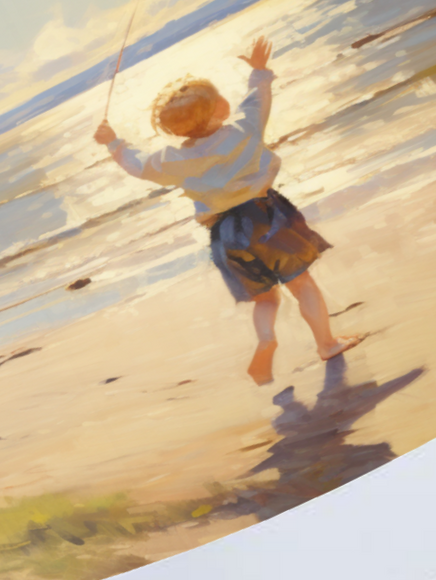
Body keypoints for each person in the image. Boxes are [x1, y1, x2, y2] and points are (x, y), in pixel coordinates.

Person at [94, 35, 352, 384]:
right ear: (221, 109)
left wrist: (112, 142)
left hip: (225, 236)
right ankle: (327, 344)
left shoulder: (172, 160)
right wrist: (260, 72)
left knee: (265, 300)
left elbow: (136, 165)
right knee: (302, 284)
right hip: (267, 217)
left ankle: (266, 339)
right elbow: (257, 103)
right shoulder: (242, 132)